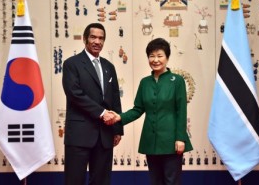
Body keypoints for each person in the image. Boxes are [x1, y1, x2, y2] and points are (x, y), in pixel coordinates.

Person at [105, 38, 193, 185]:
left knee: (172, 181)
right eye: (152, 56)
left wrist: (180, 138)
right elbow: (138, 109)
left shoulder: (177, 80)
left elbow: (181, 111)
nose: (155, 60)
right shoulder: (144, 82)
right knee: (155, 181)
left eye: (160, 55)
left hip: (172, 141)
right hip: (150, 142)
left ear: (167, 57)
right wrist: (119, 117)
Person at [62, 23, 123, 185]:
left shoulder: (109, 67)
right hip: (79, 135)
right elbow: (74, 94)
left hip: (105, 135)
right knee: (74, 181)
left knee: (102, 181)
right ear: (85, 39)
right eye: (93, 37)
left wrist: (117, 130)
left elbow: (115, 98)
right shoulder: (71, 64)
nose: (97, 41)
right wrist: (102, 113)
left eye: (101, 38)